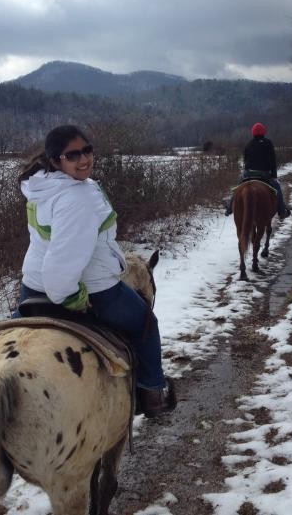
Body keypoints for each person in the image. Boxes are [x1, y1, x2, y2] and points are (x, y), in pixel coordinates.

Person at [14, 125, 175, 418]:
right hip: (88, 287)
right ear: (55, 160)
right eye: (72, 155)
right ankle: (153, 392)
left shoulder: (41, 186)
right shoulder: (78, 198)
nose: (84, 159)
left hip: (32, 287)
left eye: (87, 150)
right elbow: (61, 267)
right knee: (145, 324)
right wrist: (73, 297)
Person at [224, 122, 291, 219]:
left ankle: (229, 208)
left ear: (253, 133)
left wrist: (246, 173)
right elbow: (272, 161)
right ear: (264, 132)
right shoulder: (268, 143)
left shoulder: (249, 144)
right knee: (277, 188)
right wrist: (274, 176)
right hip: (264, 175)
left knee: (238, 188)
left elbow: (246, 160)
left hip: (249, 173)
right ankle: (281, 211)